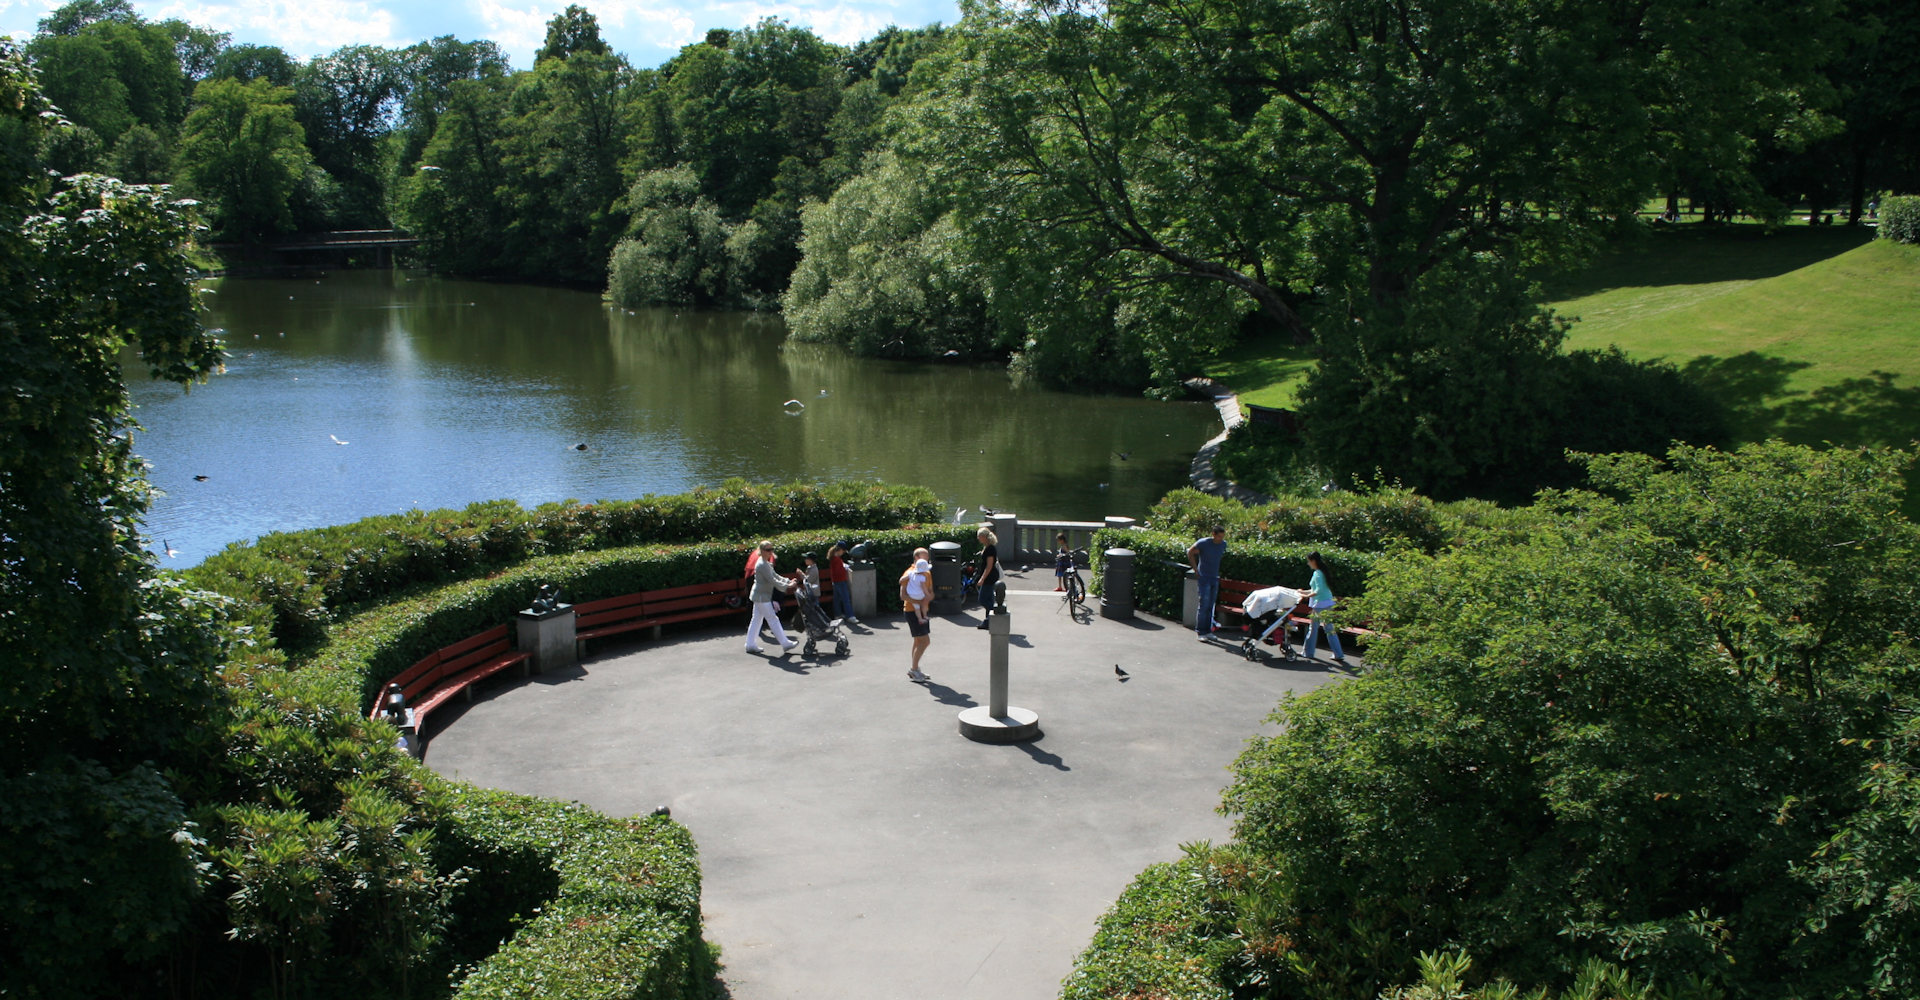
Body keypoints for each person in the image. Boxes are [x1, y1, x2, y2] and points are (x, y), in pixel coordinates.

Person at [745, 540, 798, 655]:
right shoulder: (762, 564)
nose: (771, 552)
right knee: (772, 619)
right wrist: (788, 586)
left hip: (760, 595)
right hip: (761, 596)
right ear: (762, 551)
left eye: (772, 549)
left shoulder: (765, 562)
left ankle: (750, 644)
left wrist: (788, 581)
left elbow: (775, 575)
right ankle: (785, 643)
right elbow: (773, 580)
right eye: (768, 550)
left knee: (756, 619)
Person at [1302, 551, 1347, 665]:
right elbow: (1316, 589)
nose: (1308, 564)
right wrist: (1303, 592)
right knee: (1329, 629)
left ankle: (1308, 652)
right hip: (1328, 603)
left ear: (1313, 561)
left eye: (1309, 561)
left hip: (1319, 605)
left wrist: (1305, 595)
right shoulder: (1322, 572)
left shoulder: (1317, 574)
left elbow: (1317, 591)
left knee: (1313, 629)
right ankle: (1338, 654)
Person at [1187, 524, 1227, 639]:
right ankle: (1201, 631)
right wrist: (1195, 569)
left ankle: (1208, 631)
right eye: (1219, 536)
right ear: (1213, 534)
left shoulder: (1223, 545)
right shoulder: (1203, 543)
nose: (1221, 539)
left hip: (1214, 577)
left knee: (1211, 605)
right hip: (1204, 577)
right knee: (1204, 604)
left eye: (1222, 537)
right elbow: (1190, 552)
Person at [900, 547, 933, 681]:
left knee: (918, 640)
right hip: (911, 611)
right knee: (925, 641)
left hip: (921, 610)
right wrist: (918, 601)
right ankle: (913, 670)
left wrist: (928, 598)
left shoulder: (927, 573)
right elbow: (903, 595)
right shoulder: (909, 573)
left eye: (927, 558)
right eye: (923, 558)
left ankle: (915, 668)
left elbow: (930, 591)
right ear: (916, 559)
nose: (926, 561)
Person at [974, 527, 1002, 628]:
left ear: (984, 537)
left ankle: (992, 617)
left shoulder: (990, 549)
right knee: (989, 599)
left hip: (989, 577)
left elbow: (989, 566)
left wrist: (982, 579)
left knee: (983, 599)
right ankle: (989, 622)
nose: (978, 538)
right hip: (990, 576)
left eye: (979, 536)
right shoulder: (988, 547)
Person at [827, 540, 857, 624]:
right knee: (845, 599)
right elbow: (839, 571)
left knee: (837, 599)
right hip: (840, 581)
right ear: (840, 550)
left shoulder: (834, 558)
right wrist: (845, 568)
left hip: (836, 581)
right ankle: (850, 616)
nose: (843, 553)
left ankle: (838, 614)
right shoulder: (836, 559)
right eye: (843, 551)